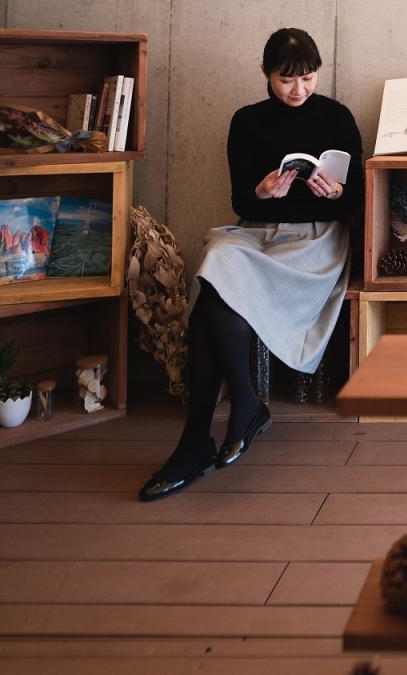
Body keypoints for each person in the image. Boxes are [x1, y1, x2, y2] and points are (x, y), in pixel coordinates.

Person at [140, 28, 362, 501]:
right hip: (259, 233)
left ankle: (200, 436)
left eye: (308, 78)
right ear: (264, 73)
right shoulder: (246, 121)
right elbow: (240, 198)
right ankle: (240, 406)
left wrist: (338, 193)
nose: (299, 89)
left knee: (209, 306)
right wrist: (261, 192)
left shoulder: (337, 117)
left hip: (316, 242)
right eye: (286, 80)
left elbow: (356, 198)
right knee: (219, 258)